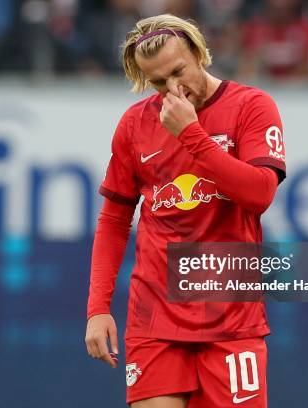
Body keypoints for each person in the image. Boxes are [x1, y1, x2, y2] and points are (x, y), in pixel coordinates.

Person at [85, 14, 286, 408]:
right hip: (155, 318)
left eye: (178, 71)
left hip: (232, 319)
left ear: (198, 52)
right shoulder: (135, 124)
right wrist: (97, 309)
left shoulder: (252, 106)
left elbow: (260, 193)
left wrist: (190, 135)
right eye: (158, 82)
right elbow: (113, 220)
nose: (174, 89)